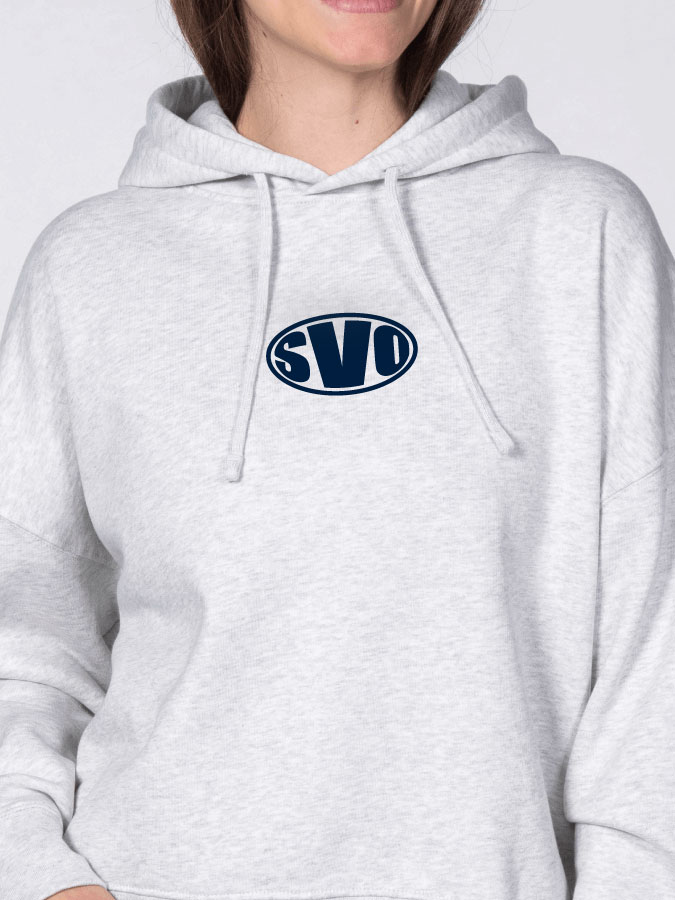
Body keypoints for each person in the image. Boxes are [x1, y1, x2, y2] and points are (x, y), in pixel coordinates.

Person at [1, 1, 674, 899]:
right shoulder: (90, 267)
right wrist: (40, 876)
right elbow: (25, 645)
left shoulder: (580, 233)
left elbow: (655, 654)